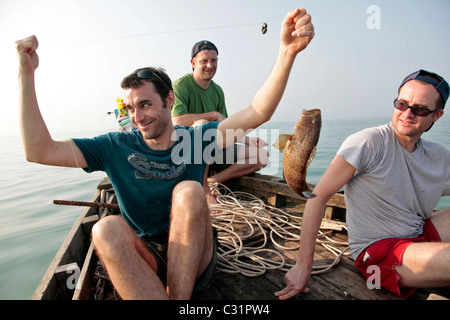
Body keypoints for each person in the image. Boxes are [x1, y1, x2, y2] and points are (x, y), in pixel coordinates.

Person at [16, 8, 315, 300]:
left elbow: (257, 112)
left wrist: (286, 53)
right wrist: (25, 73)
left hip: (195, 253)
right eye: (131, 108)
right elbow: (40, 150)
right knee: (105, 228)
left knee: (187, 191)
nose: (137, 116)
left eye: (145, 105)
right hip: (146, 254)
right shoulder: (114, 146)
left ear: (169, 99)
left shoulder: (198, 139)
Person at [276, 69, 450, 300]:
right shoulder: (368, 143)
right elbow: (317, 197)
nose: (407, 114)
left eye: (419, 109)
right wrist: (302, 266)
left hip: (418, 233)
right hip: (380, 254)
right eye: (401, 104)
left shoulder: (437, 155)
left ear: (436, 115)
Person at [171, 40, 269, 203]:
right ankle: (203, 189)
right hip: (185, 151)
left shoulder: (217, 91)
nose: (210, 65)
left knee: (261, 156)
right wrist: (213, 115)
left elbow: (225, 127)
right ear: (193, 63)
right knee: (202, 125)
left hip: (212, 150)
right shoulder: (180, 86)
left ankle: (213, 180)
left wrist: (248, 140)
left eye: (214, 60)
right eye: (204, 61)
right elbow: (177, 120)